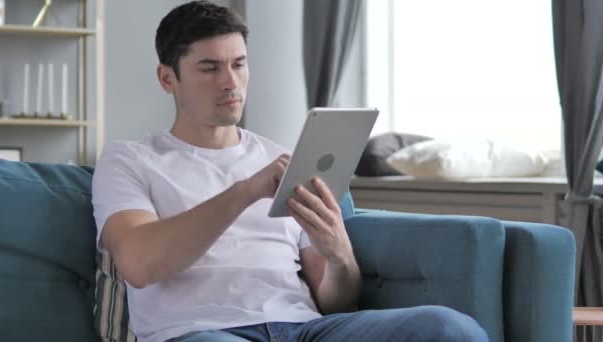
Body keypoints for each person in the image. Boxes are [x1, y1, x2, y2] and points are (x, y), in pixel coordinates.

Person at [92, 1, 488, 341]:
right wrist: (245, 191)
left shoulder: (285, 158)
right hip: (203, 331)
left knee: (450, 329)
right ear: (168, 79)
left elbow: (337, 301)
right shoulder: (130, 160)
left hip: (303, 328)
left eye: (239, 64)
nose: (231, 82)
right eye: (209, 68)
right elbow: (138, 264)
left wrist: (339, 256)